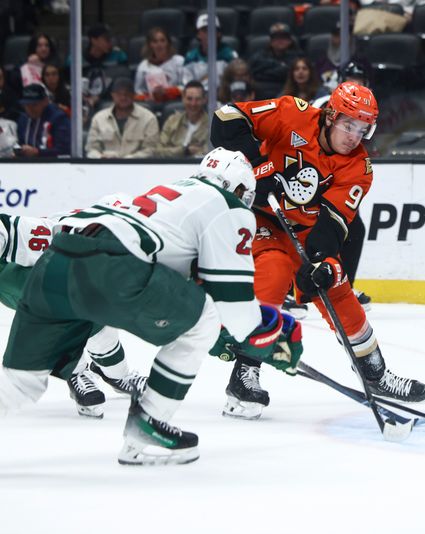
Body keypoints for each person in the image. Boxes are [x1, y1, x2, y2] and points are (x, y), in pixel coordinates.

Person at [0, 148, 304, 465]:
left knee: (21, 383)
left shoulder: (168, 198)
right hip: (113, 270)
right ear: (240, 189)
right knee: (204, 320)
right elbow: (237, 314)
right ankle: (148, 423)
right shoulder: (226, 205)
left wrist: (227, 334)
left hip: (55, 265)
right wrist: (272, 339)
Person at [210, 81, 425, 418]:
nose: (354, 136)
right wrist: (256, 167)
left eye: (362, 129)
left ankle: (375, 373)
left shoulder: (359, 167)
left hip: (308, 228)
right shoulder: (291, 113)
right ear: (330, 115)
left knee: (336, 285)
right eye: (348, 125)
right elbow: (226, 119)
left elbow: (333, 224)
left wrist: (321, 261)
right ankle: (245, 372)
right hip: (263, 219)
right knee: (274, 270)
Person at [0, 208, 147, 418]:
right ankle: (78, 373)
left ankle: (115, 375)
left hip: (65, 266)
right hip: (18, 273)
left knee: (94, 318)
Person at [310, 60, 373, 313]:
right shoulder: (323, 103)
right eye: (350, 78)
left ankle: (343, 286)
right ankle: (287, 290)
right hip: (308, 174)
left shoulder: (367, 110)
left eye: (360, 79)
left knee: (354, 228)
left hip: (335, 179)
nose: (356, 83)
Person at [85, 77, 159, 159]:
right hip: (105, 167)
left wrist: (126, 160)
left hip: (136, 167)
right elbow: (91, 149)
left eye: (127, 94)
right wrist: (101, 157)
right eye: (119, 94)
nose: (123, 97)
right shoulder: (99, 118)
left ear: (134, 95)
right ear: (112, 95)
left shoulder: (149, 118)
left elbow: (151, 150)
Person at [66, 24, 128, 120]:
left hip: (109, 99)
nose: (110, 43)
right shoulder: (75, 59)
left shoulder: (118, 57)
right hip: (82, 98)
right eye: (106, 39)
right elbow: (69, 84)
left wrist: (99, 97)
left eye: (110, 39)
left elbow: (122, 83)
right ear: (93, 40)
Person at [155, 80, 209, 158]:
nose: (193, 104)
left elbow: (209, 154)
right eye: (189, 99)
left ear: (204, 100)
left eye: (197, 99)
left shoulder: (212, 125)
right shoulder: (172, 121)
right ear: (183, 99)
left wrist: (172, 151)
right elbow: (158, 151)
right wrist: (185, 151)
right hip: (169, 166)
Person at [183, 14, 238, 88]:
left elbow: (235, 82)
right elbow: (187, 85)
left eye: (212, 30)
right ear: (198, 34)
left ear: (218, 33)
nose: (209, 34)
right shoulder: (191, 57)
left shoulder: (229, 55)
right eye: (205, 31)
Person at [15, 83, 70, 157]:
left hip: (53, 165)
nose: (30, 109)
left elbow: (64, 150)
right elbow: (20, 143)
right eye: (26, 105)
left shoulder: (59, 118)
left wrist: (38, 152)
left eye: (34, 105)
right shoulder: (23, 118)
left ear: (45, 101)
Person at [249, 22, 303, 99]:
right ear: (271, 41)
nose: (280, 40)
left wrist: (266, 72)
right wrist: (280, 66)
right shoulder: (260, 56)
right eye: (276, 37)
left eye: (284, 37)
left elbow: (288, 73)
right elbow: (253, 71)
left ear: (290, 40)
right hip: (262, 92)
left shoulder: (298, 56)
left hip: (288, 92)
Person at [134, 27, 184, 103]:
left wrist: (170, 92)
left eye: (162, 41)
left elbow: (186, 85)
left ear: (168, 42)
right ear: (150, 44)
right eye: (155, 41)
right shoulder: (143, 66)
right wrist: (148, 97)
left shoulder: (179, 61)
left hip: (175, 101)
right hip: (152, 103)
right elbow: (138, 91)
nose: (159, 44)